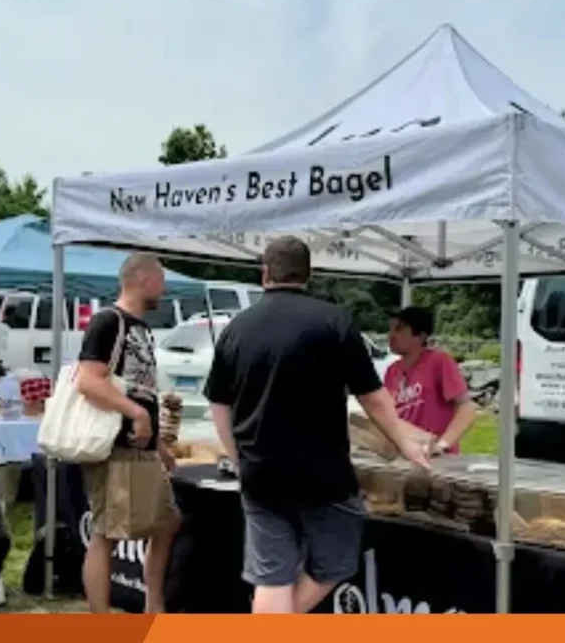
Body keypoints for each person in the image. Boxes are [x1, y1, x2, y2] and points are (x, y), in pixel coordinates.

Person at [205, 236, 431, 615]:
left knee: (271, 574)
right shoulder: (335, 320)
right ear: (308, 275)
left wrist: (237, 457)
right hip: (324, 474)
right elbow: (372, 396)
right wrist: (405, 442)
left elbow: (219, 404)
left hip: (261, 472)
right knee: (335, 562)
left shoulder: (236, 328)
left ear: (265, 274)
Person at [77, 253, 180, 614]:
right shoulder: (108, 322)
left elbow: (142, 388)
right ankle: (101, 618)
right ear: (142, 279)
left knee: (166, 522)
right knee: (106, 533)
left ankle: (154, 608)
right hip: (115, 446)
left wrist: (160, 447)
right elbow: (88, 380)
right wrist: (136, 413)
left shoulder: (141, 327)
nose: (163, 288)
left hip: (143, 449)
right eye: (160, 279)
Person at [384, 306, 479, 455]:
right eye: (390, 329)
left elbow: (467, 408)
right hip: (405, 454)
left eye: (399, 329)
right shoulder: (392, 371)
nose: (391, 335)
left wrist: (442, 445)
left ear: (421, 336)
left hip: (437, 459)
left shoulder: (439, 362)